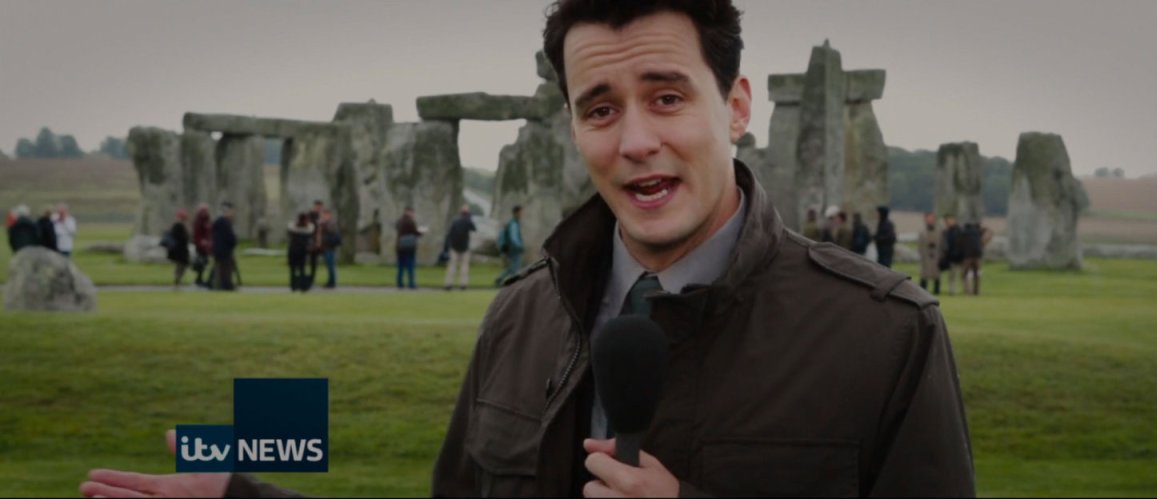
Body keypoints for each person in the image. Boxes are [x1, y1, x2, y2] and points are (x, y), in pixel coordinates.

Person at [79, 2, 973, 497]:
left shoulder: (884, 334)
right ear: (571, 123)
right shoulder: (521, 315)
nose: (633, 142)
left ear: (736, 106)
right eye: (599, 107)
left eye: (667, 97)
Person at [443, 205, 476, 291]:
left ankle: (448, 284)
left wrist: (447, 246)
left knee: (452, 266)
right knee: (464, 266)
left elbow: (450, 234)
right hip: (464, 247)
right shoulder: (468, 222)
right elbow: (474, 229)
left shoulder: (455, 222)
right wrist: (470, 219)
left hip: (454, 246)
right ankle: (463, 284)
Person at [494, 205, 525, 286]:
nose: (522, 214)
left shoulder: (513, 223)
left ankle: (500, 278)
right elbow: (513, 238)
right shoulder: (514, 224)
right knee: (515, 267)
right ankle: (513, 284)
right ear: (517, 212)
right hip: (514, 249)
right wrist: (520, 246)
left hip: (511, 248)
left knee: (512, 267)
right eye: (521, 212)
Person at [210, 203, 238, 291]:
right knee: (226, 269)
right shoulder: (224, 223)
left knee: (219, 268)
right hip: (224, 250)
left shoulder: (218, 222)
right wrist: (234, 241)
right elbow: (230, 237)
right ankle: (226, 285)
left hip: (218, 249)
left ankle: (218, 284)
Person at [959, 222, 991, 296]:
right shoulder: (977, 232)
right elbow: (989, 232)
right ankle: (976, 291)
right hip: (977, 255)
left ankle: (968, 291)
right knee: (977, 274)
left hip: (967, 256)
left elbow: (960, 244)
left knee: (965, 274)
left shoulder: (963, 233)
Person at [286, 212, 315, 292]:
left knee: (293, 269)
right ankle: (302, 286)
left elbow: (290, 226)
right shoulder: (307, 230)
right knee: (301, 269)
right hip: (301, 252)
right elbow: (311, 227)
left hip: (294, 251)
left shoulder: (293, 229)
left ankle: (294, 286)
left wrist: (296, 222)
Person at [395, 206, 421, 289]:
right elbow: (415, 232)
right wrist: (421, 232)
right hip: (409, 247)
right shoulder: (410, 222)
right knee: (410, 266)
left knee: (401, 266)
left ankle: (399, 283)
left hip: (400, 247)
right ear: (409, 212)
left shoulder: (399, 221)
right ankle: (411, 283)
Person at [917, 212, 942, 295]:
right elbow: (920, 244)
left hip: (936, 254)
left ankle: (937, 290)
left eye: (931, 218)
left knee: (936, 273)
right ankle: (922, 290)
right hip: (926, 255)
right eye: (928, 218)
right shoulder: (922, 231)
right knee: (924, 273)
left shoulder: (939, 230)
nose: (930, 220)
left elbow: (941, 243)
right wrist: (922, 253)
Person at [166, 209, 191, 288]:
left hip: (181, 249)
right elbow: (181, 237)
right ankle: (177, 280)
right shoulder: (178, 226)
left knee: (181, 265)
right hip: (179, 250)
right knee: (180, 266)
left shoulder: (180, 226)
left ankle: (178, 280)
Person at [941, 214, 963, 295]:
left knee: (963, 275)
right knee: (952, 276)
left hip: (960, 256)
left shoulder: (960, 230)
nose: (948, 222)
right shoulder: (946, 232)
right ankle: (952, 290)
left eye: (950, 220)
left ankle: (966, 290)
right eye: (947, 221)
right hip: (951, 257)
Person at [191, 204, 213, 287]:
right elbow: (197, 234)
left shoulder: (207, 220)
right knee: (200, 262)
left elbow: (209, 231)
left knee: (204, 262)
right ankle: (198, 279)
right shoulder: (198, 221)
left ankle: (199, 278)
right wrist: (200, 242)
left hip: (206, 245)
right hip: (200, 246)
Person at [319, 209, 341, 289]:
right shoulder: (324, 224)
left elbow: (331, 231)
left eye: (326, 215)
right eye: (323, 215)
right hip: (326, 247)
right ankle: (330, 281)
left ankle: (332, 282)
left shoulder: (332, 223)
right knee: (328, 265)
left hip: (331, 247)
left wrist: (323, 225)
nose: (324, 217)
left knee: (331, 265)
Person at [307, 200, 325, 280]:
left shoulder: (320, 216)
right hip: (310, 241)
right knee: (310, 261)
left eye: (320, 207)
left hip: (318, 243)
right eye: (318, 207)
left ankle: (312, 278)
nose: (319, 208)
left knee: (314, 262)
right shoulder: (310, 215)